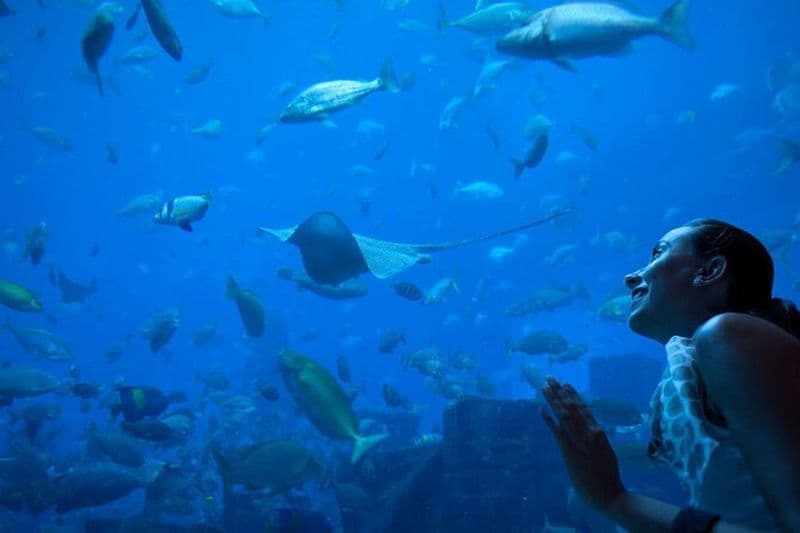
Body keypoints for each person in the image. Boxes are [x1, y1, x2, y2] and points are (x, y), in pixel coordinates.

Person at [540, 219, 800, 532]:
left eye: (658, 254)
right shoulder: (703, 365)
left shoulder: (727, 337)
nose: (630, 277)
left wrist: (614, 499)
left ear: (709, 271)